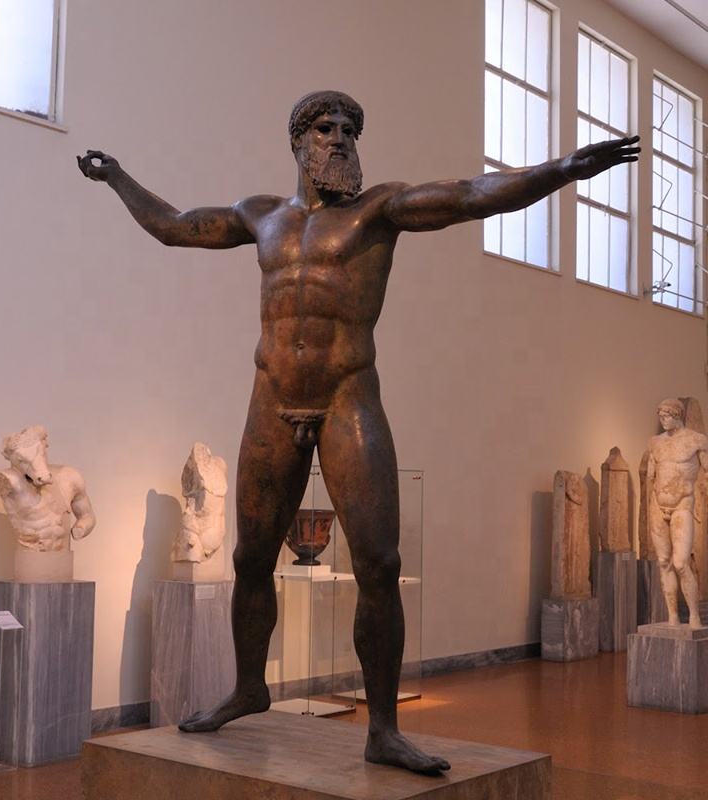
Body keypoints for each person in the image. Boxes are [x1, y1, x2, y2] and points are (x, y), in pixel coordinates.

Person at [78, 90, 639, 774]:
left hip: (347, 397)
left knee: (379, 564)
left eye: (349, 129)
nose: (340, 137)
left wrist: (563, 169)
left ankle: (383, 729)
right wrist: (117, 177)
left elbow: (472, 195)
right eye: (325, 127)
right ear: (298, 142)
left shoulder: (380, 210)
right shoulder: (260, 215)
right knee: (251, 560)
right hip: (271, 398)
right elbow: (174, 226)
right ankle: (250, 688)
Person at [648, 398, 708, 630]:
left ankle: (694, 616)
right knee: (664, 562)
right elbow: (651, 477)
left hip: (682, 504)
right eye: (660, 416)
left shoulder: (696, 440)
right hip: (658, 505)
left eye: (666, 416)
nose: (662, 420)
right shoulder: (655, 443)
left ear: (677, 415)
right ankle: (672, 616)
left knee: (681, 562)